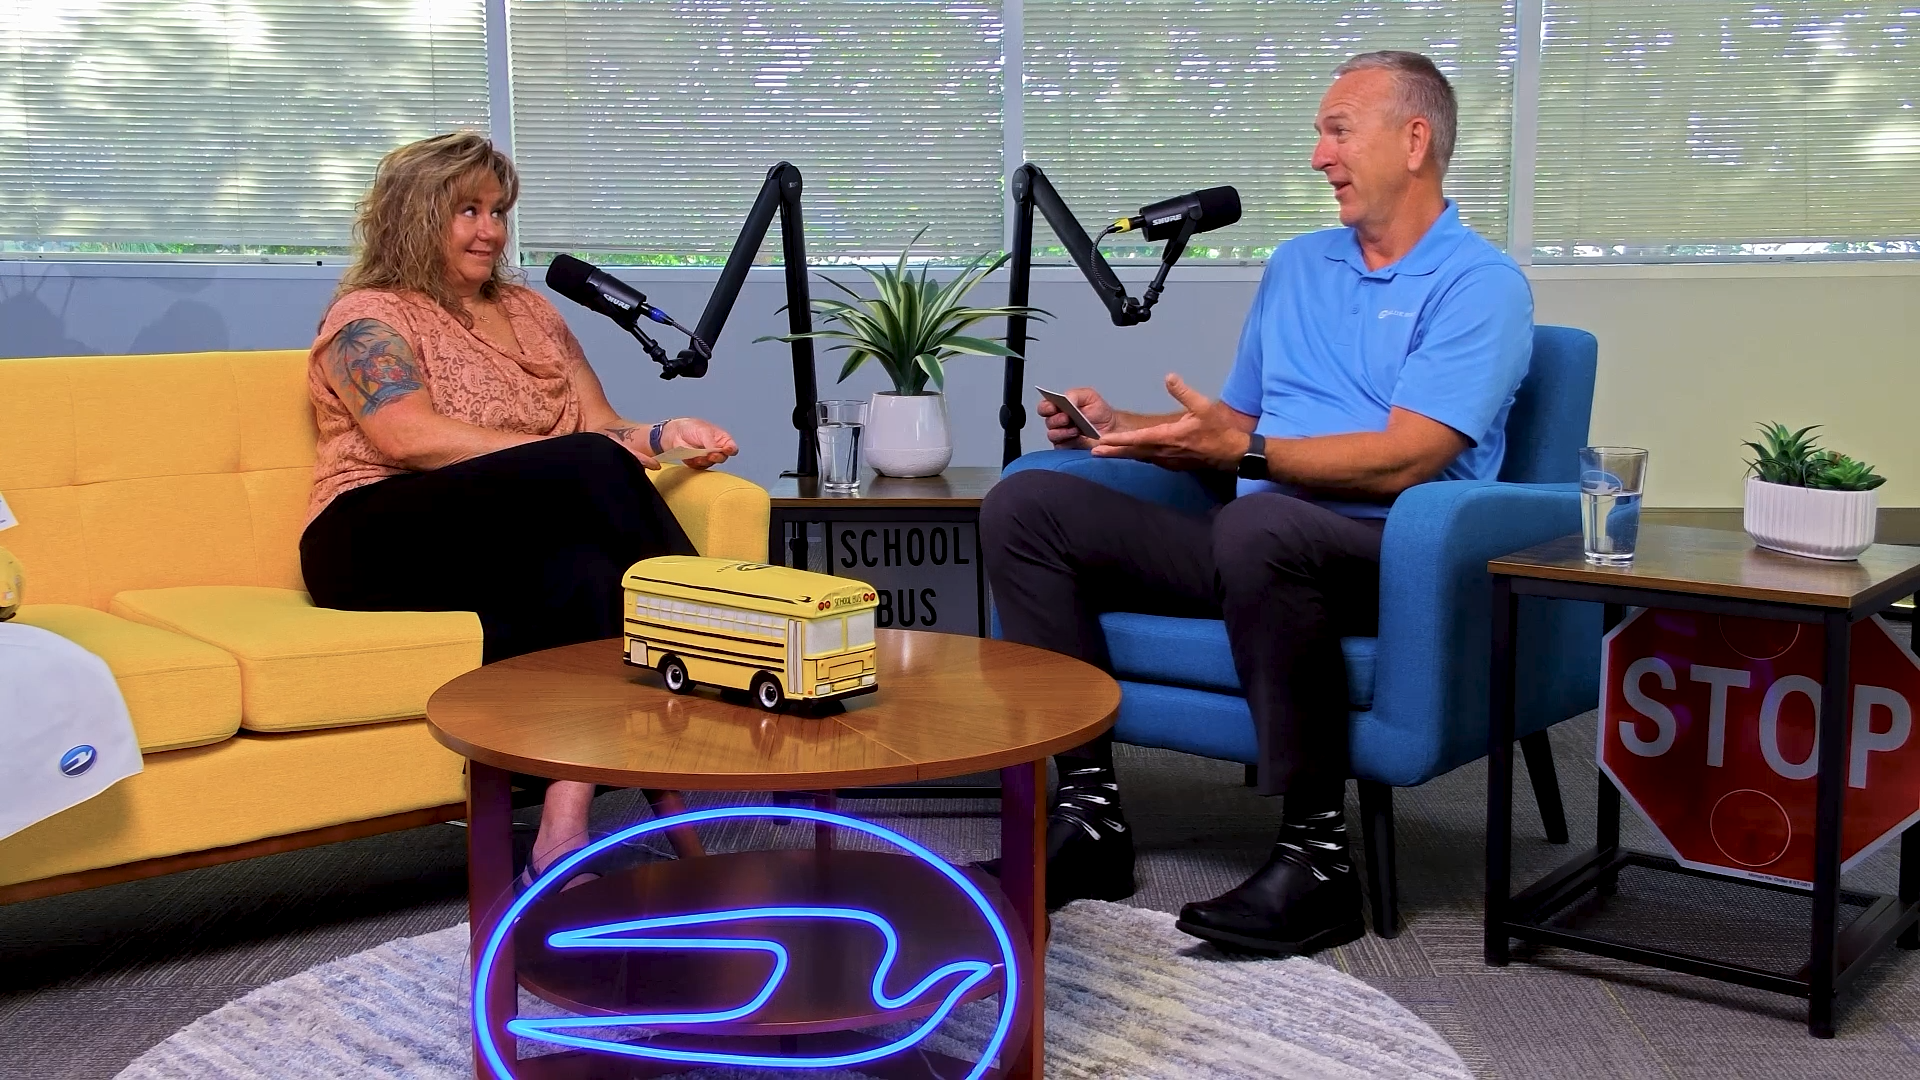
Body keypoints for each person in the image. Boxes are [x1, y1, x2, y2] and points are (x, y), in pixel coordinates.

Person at [981, 51, 1533, 955]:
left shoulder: (1480, 285)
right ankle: (1088, 819)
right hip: (1257, 540)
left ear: (1416, 138)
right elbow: (1237, 423)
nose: (1319, 155)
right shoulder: (1298, 267)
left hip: (1394, 555)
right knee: (1027, 504)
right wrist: (1127, 426)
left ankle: (1319, 862)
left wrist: (1250, 454)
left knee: (1260, 520)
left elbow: (1410, 458)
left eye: (1338, 129)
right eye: (1321, 132)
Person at [299, 132, 739, 889]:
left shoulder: (532, 312)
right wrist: (559, 457)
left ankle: (561, 833)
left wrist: (664, 434)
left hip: (504, 529)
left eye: (498, 211)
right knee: (586, 476)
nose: (490, 230)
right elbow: (404, 434)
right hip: (371, 531)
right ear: (414, 216)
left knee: (586, 573)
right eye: (467, 210)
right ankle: (716, 639)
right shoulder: (368, 316)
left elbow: (599, 430)